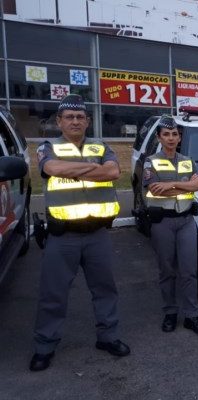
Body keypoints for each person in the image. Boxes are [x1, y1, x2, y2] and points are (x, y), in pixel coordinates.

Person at [30, 95, 129, 372]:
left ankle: (108, 337)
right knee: (53, 294)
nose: (75, 121)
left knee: (105, 289)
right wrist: (94, 170)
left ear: (87, 121)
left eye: (80, 117)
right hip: (63, 238)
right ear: (59, 122)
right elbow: (51, 168)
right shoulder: (49, 147)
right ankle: (44, 346)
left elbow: (113, 172)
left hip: (98, 234)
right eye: (69, 117)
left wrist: (79, 171)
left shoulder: (101, 145)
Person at [142, 116, 198, 335]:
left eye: (174, 134)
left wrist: (171, 183)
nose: (171, 138)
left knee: (189, 271)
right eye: (166, 134)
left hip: (187, 221)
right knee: (167, 270)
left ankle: (192, 315)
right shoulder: (151, 161)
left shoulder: (188, 161)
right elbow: (154, 189)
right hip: (163, 222)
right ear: (160, 138)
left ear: (179, 137)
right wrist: (186, 186)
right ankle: (170, 313)